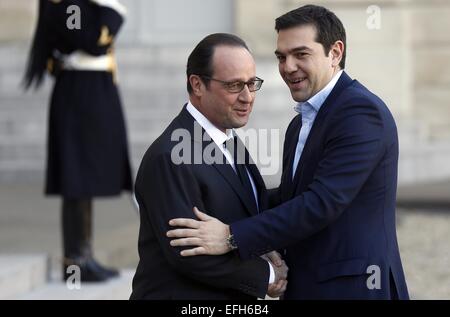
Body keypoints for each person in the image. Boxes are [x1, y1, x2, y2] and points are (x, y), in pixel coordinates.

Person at [167, 5, 409, 300]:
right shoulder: (300, 123)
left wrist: (231, 235)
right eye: (281, 57)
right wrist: (216, 206)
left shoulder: (359, 112)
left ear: (335, 53)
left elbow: (320, 203)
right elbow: (291, 198)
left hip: (353, 288)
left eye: (301, 54)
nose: (288, 66)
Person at [130, 33, 288, 300]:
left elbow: (245, 204)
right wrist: (268, 275)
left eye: (252, 83)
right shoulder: (169, 157)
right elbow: (189, 254)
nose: (247, 97)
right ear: (197, 85)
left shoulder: (226, 136)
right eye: (234, 85)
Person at [23, 0, 132, 282]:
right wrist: (114, 11)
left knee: (86, 183)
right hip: (78, 95)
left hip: (94, 92)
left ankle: (85, 257)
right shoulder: (67, 6)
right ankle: (75, 264)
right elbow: (92, 39)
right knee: (76, 182)